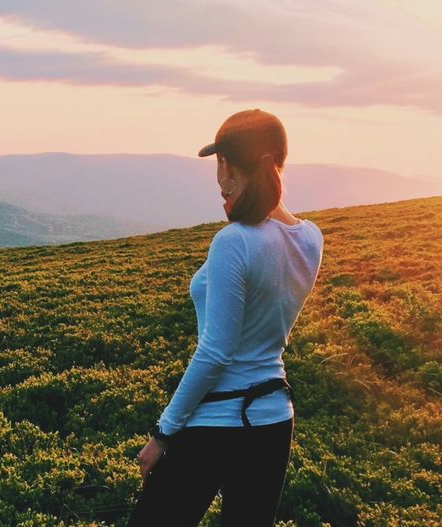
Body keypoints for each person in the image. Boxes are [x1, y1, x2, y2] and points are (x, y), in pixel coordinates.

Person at [128, 109, 324, 526]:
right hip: (273, 421)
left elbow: (216, 352)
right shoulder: (310, 238)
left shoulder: (234, 242)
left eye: (220, 163)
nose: (219, 178)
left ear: (230, 166)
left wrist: (164, 433)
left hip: (216, 423)